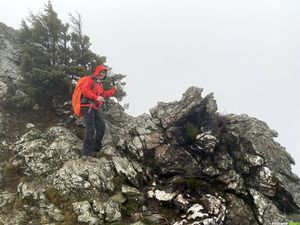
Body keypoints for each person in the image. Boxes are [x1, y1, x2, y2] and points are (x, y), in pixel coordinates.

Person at [81, 65, 117, 157]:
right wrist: (96, 97)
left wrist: (113, 91)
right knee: (90, 128)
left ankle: (95, 147)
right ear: (97, 72)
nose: (102, 74)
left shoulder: (100, 84)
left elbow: (103, 94)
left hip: (95, 108)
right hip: (87, 106)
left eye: (104, 73)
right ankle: (86, 151)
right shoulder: (89, 79)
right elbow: (85, 90)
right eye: (101, 72)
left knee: (101, 127)